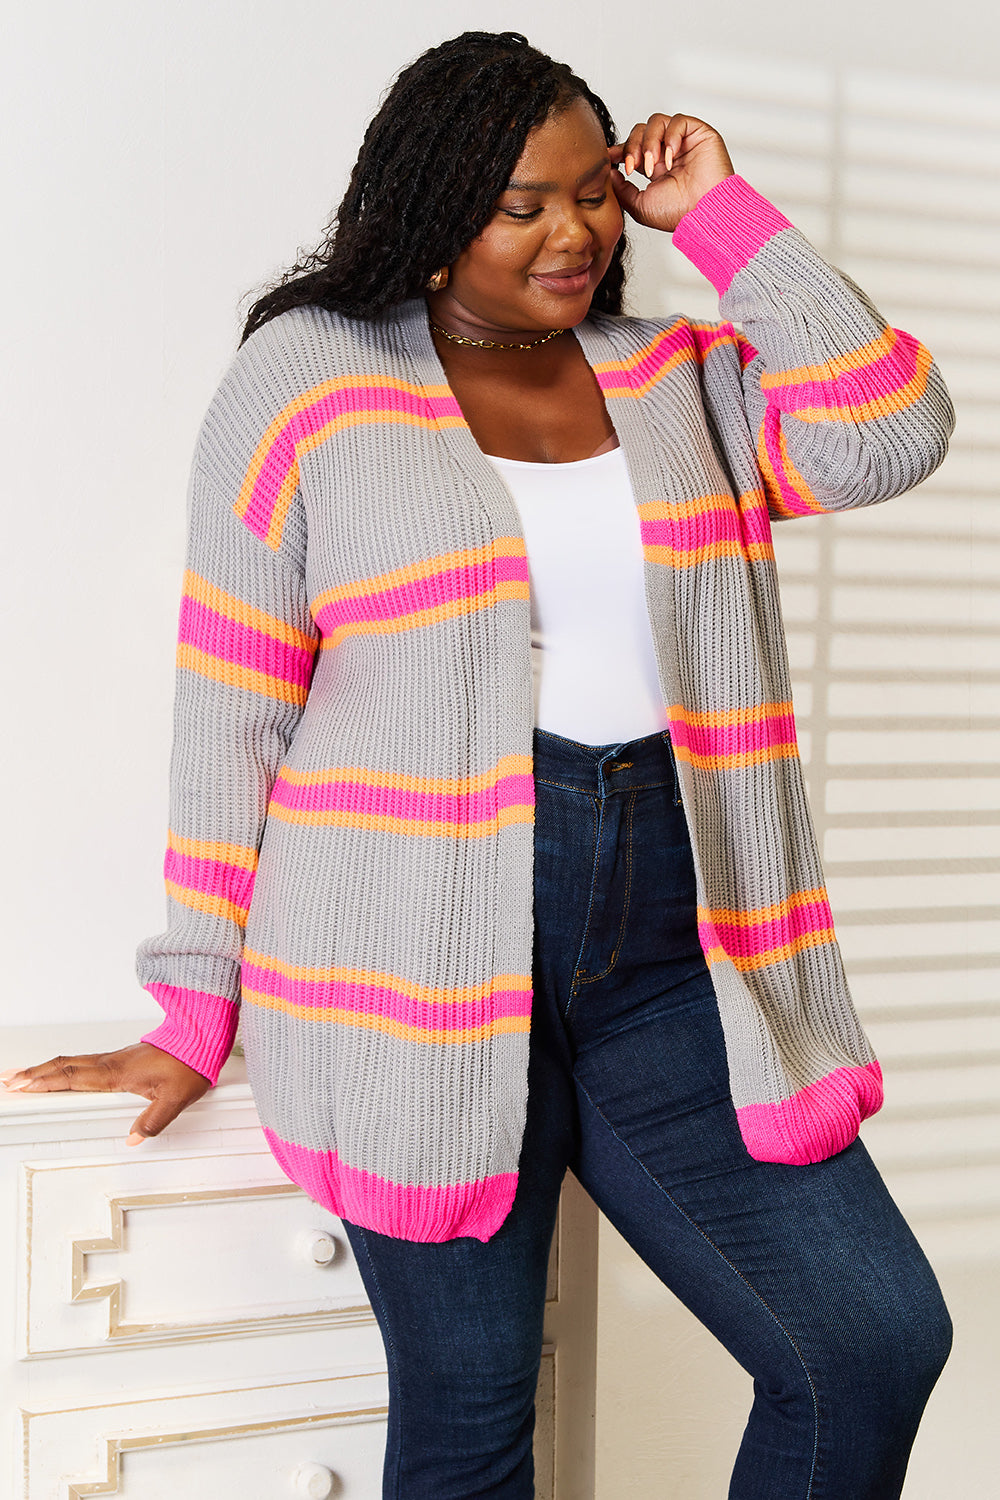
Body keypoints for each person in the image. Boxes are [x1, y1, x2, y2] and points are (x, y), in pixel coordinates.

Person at [1, 30, 955, 1500]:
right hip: (405, 974)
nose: (572, 232)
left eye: (591, 193)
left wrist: (720, 211)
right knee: (468, 1424)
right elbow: (232, 710)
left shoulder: (683, 378)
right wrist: (195, 1008)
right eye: (523, 203)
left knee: (869, 1344)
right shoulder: (306, 379)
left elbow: (889, 431)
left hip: (667, 966)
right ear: (431, 204)